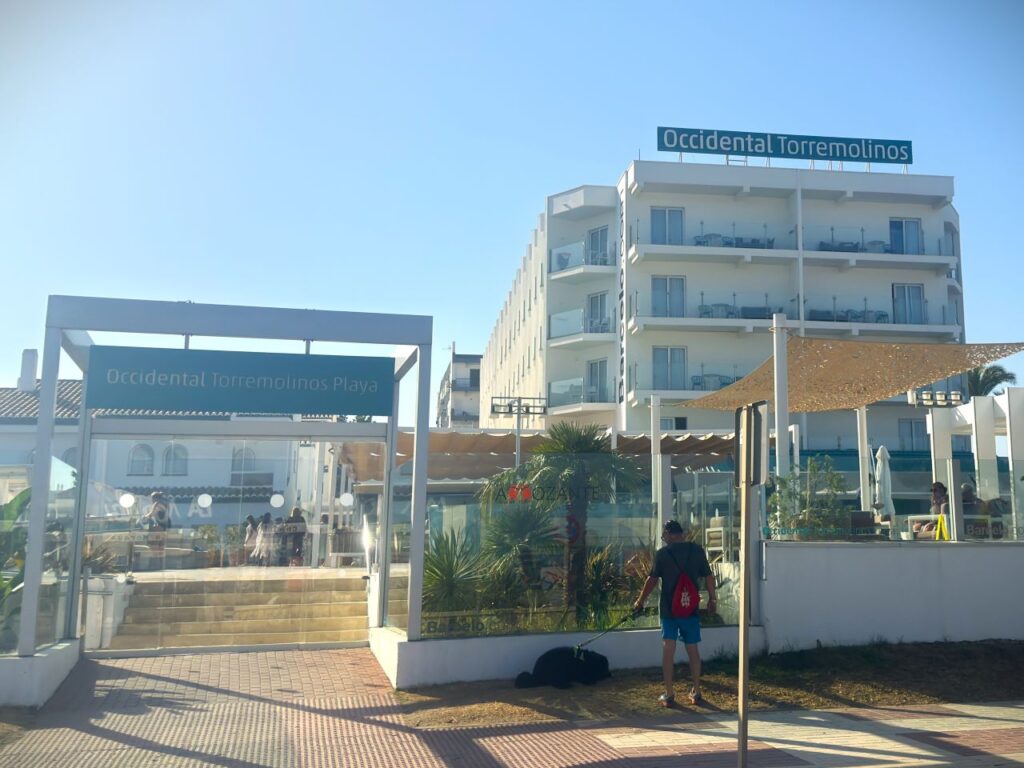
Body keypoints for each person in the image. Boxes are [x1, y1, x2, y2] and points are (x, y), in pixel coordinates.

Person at [633, 520, 715, 707]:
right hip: (690, 609)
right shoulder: (696, 551)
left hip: (669, 610)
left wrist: (640, 601)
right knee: (692, 648)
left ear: (669, 535)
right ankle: (697, 690)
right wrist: (713, 599)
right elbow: (709, 577)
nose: (664, 539)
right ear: (682, 534)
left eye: (664, 536)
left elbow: (652, 580)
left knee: (668, 649)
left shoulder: (663, 554)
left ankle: (669, 693)